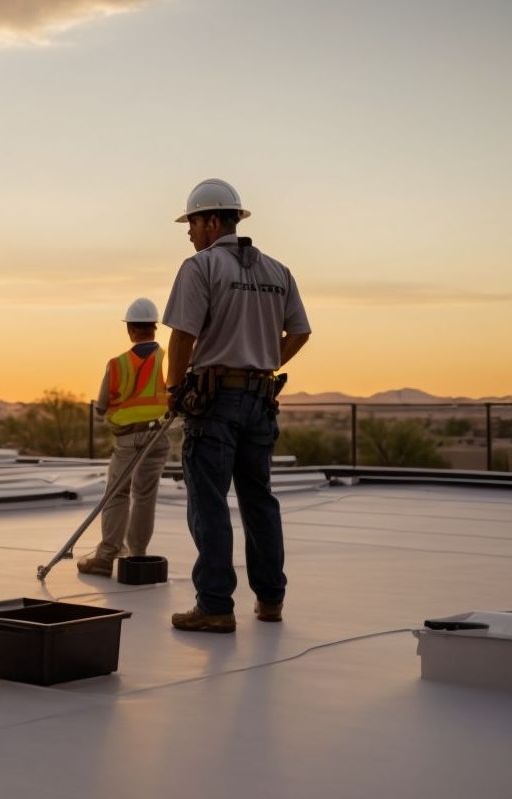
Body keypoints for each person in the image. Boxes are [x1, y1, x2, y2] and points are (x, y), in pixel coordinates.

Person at [162, 179, 311, 633]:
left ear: (211, 221)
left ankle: (214, 606)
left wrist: (174, 391)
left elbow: (183, 336)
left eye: (191, 223)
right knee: (258, 501)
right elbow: (300, 332)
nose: (189, 232)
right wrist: (262, 361)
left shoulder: (200, 267)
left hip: (217, 404)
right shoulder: (277, 271)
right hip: (260, 402)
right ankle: (270, 600)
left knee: (208, 503)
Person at [77, 297, 171, 577]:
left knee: (117, 494)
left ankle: (107, 556)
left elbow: (102, 405)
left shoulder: (117, 364)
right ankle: (137, 556)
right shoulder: (168, 360)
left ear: (130, 330)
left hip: (128, 440)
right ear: (154, 328)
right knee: (145, 496)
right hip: (158, 436)